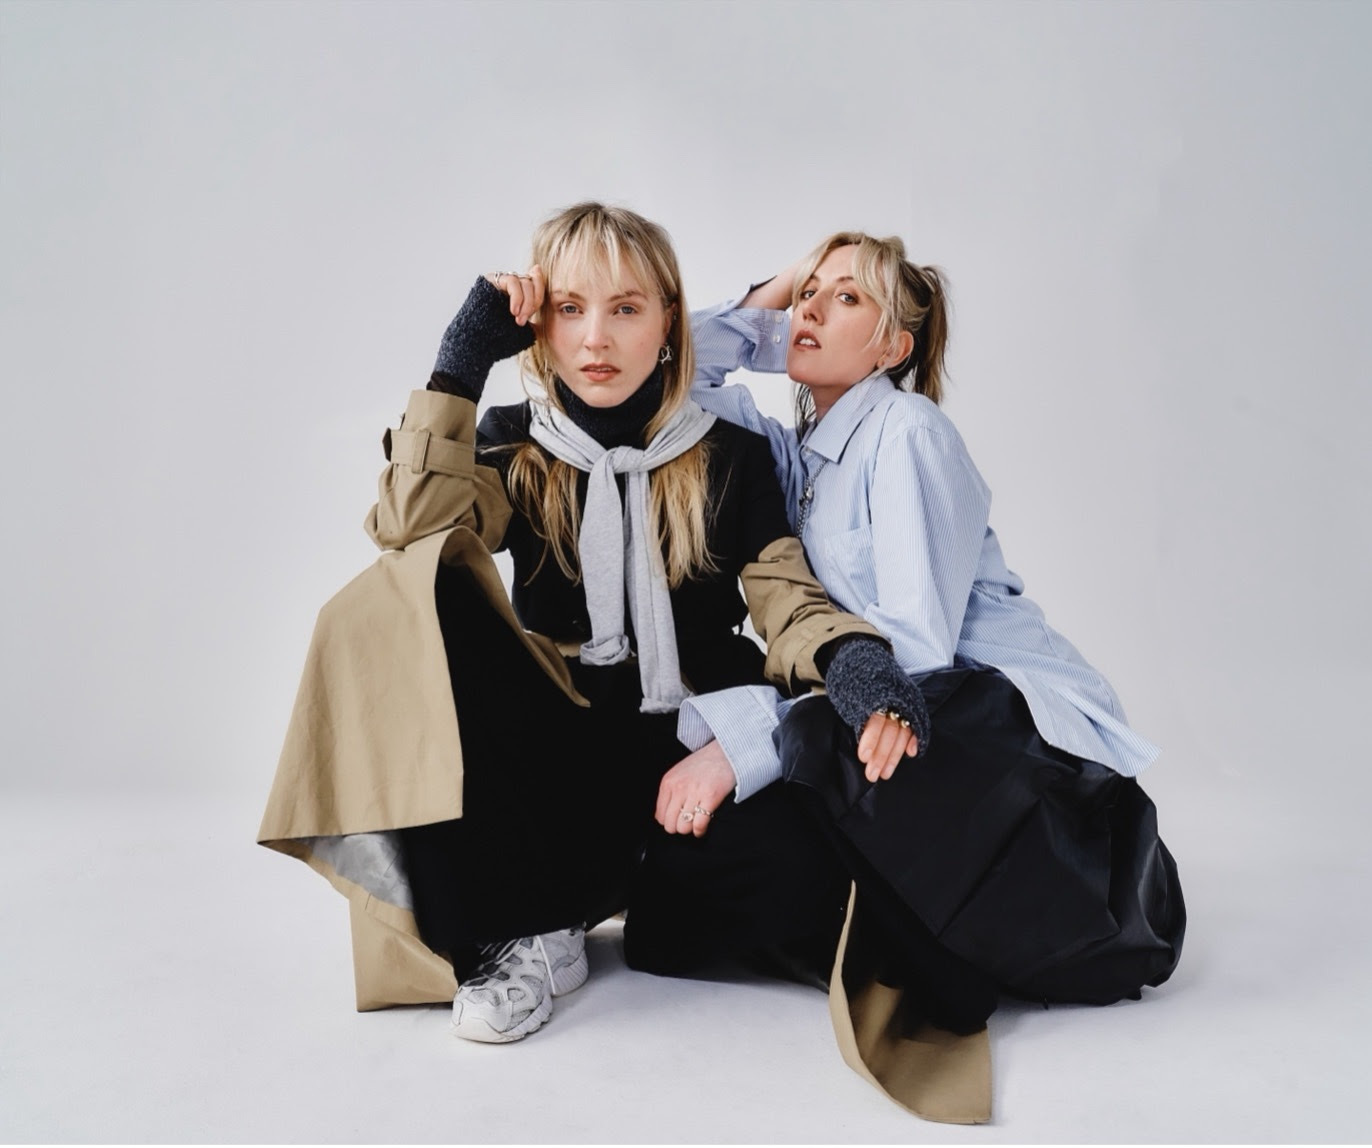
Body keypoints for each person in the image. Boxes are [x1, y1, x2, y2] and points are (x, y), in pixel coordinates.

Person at [257, 205, 930, 1049]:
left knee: (798, 888)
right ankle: (525, 931)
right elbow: (408, 527)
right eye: (570, 309)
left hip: (683, 744)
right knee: (411, 583)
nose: (596, 339)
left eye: (626, 308)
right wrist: (459, 365)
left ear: (669, 322)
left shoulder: (731, 453)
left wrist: (858, 662)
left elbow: (787, 599)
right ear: (539, 326)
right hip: (555, 744)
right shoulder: (512, 443)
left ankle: (591, 896)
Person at [682, 232, 1186, 1121]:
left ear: (893, 347)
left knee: (821, 728)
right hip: (918, 740)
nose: (811, 309)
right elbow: (675, 379)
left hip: (1018, 743)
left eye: (846, 298)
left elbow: (915, 655)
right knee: (717, 872)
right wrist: (772, 296)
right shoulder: (797, 455)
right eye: (809, 294)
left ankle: (955, 950)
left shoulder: (907, 432)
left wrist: (745, 741)